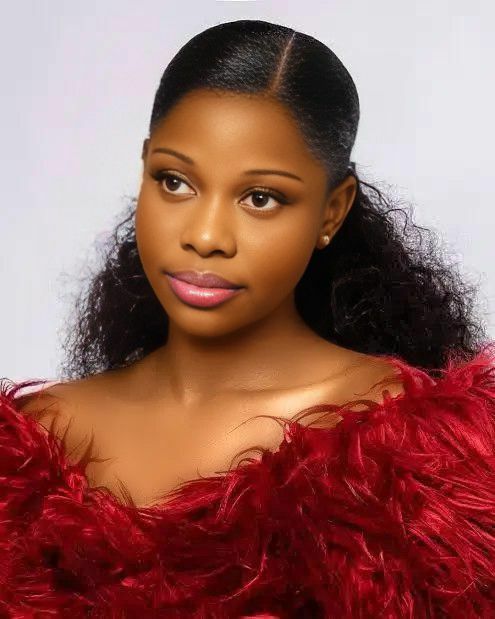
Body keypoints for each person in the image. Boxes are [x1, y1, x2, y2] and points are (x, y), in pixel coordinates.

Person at [1, 18, 494, 618]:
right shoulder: (27, 444)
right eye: (175, 182)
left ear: (332, 211)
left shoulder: (421, 462)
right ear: (144, 168)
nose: (206, 236)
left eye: (261, 198)